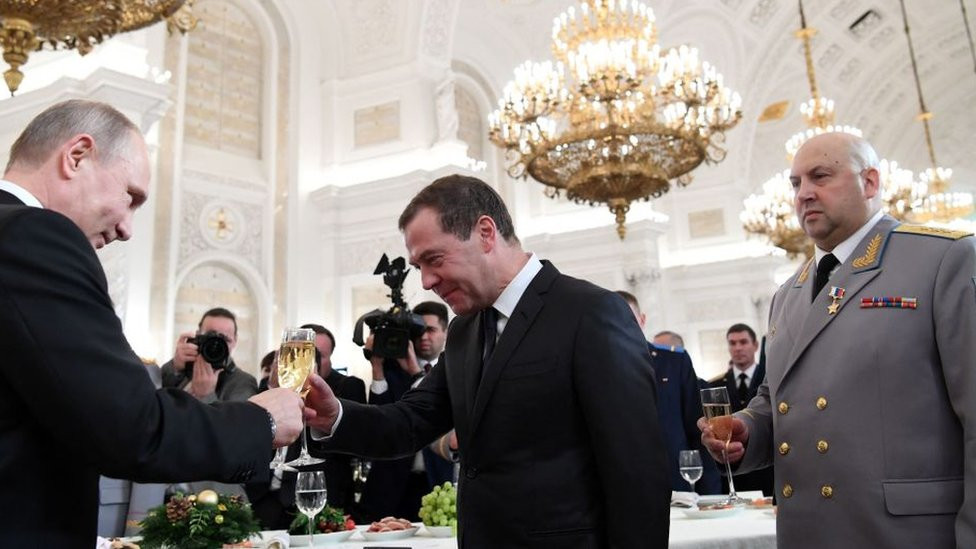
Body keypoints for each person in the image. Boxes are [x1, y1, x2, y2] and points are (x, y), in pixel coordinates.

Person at [305, 174, 670, 548]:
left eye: (433, 259)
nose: (427, 281)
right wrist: (336, 417)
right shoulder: (465, 330)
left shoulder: (590, 312)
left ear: (485, 232)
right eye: (418, 268)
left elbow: (637, 469)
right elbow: (411, 421)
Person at [0, 99, 305, 546]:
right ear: (76, 156)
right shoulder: (34, 236)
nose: (127, 228)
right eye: (132, 197)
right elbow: (131, 427)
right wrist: (261, 421)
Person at [699, 132, 976, 548]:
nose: (804, 194)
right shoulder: (787, 295)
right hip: (807, 531)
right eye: (796, 184)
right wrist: (747, 430)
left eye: (821, 176)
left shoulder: (941, 260)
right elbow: (776, 400)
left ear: (870, 182)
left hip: (906, 534)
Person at [616, 290, 720, 495]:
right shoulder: (595, 367)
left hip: (677, 484)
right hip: (623, 486)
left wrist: (709, 492)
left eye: (628, 317)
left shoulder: (674, 362)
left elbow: (697, 428)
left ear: (642, 319)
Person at [359, 301, 454, 521]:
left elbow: (437, 412)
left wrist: (415, 372)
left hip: (439, 482)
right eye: (419, 331)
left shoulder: (456, 370)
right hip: (393, 485)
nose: (424, 337)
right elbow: (378, 421)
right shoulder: (393, 369)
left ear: (446, 333)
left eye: (430, 330)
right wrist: (378, 368)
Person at [707, 323, 773, 496]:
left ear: (756, 345)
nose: (738, 348)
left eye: (743, 342)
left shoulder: (771, 380)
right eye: (733, 343)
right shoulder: (714, 385)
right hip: (732, 476)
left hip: (767, 475)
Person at [161, 307, 258, 403]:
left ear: (235, 341)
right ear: (198, 335)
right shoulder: (185, 367)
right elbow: (156, 398)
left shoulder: (243, 382)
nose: (217, 344)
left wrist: (206, 396)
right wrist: (175, 367)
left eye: (224, 339)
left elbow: (236, 418)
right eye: (210, 336)